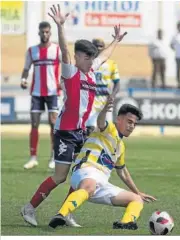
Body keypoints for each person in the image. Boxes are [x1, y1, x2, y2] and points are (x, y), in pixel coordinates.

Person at [21, 4, 127, 227]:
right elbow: (65, 50)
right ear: (78, 58)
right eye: (87, 57)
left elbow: (105, 55)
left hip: (80, 132)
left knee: (80, 174)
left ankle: (66, 212)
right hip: (65, 133)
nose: (91, 60)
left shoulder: (91, 71)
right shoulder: (71, 72)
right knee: (60, 176)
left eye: (92, 57)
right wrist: (60, 26)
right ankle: (29, 208)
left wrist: (116, 40)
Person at [48, 99, 156, 230]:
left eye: (134, 124)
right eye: (129, 122)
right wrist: (104, 110)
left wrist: (138, 192)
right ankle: (61, 215)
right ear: (119, 119)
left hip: (102, 183)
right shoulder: (109, 129)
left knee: (136, 200)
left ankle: (125, 223)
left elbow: (122, 172)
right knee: (90, 186)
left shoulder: (121, 146)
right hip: (85, 171)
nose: (131, 126)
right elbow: (100, 121)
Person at [21, 21, 61, 170]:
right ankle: (33, 158)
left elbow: (67, 66)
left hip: (53, 92)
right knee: (34, 123)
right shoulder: (32, 51)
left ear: (50, 33)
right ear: (39, 33)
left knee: (53, 124)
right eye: (42, 32)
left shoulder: (57, 50)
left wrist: (63, 81)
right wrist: (23, 80)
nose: (44, 34)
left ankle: (53, 157)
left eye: (47, 32)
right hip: (37, 92)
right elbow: (26, 69)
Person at [86, 38, 120, 135]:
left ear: (104, 48)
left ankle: (106, 150)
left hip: (105, 102)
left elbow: (117, 83)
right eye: (96, 46)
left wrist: (113, 95)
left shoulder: (111, 64)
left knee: (106, 130)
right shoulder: (87, 63)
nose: (98, 48)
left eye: (101, 46)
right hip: (90, 101)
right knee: (90, 130)